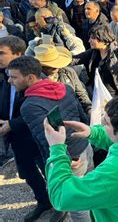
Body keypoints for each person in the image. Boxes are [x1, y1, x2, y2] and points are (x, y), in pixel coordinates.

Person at [8, 55, 92, 222]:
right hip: (84, 147)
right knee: (89, 192)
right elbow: (82, 118)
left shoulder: (30, 105)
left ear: (30, 78)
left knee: (77, 206)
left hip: (69, 159)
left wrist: (59, 163)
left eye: (14, 77)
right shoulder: (65, 88)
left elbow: (45, 140)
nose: (10, 81)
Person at [0, 36, 52, 221]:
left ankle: (59, 202)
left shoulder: (36, 77)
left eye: (2, 53)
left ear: (18, 54)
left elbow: (41, 109)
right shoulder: (4, 75)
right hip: (17, 140)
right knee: (27, 172)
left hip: (35, 137)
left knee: (48, 169)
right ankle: (43, 201)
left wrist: (11, 125)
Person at [73, 25, 118, 98]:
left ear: (103, 39)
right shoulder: (93, 52)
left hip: (115, 97)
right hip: (98, 94)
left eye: (92, 38)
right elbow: (75, 59)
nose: (89, 41)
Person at [34, 44, 91, 115]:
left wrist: (89, 108)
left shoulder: (69, 72)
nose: (54, 67)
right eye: (48, 66)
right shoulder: (35, 81)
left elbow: (81, 93)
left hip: (77, 114)